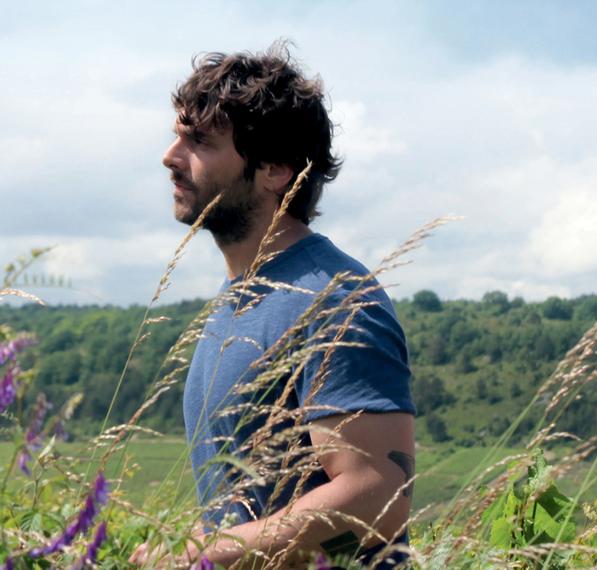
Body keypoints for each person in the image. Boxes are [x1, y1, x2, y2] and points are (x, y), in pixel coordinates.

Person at [141, 41, 416, 568]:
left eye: (199, 141)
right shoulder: (240, 298)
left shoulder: (332, 298)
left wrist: (196, 557)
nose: (170, 157)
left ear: (274, 169)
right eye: (177, 137)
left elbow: (378, 495)